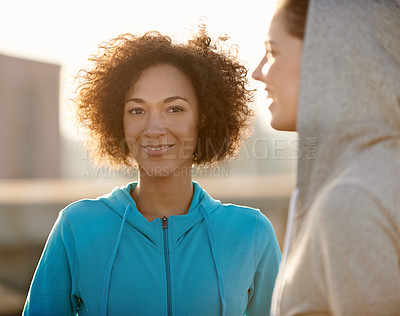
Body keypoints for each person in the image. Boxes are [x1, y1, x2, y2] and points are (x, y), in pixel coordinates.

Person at [23, 28, 281, 316]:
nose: (154, 128)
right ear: (116, 121)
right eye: (136, 111)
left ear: (203, 118)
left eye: (174, 109)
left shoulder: (252, 232)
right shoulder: (77, 227)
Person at [252, 0, 400, 315]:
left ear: (334, 59)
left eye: (273, 52)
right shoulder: (375, 172)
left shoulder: (352, 198)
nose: (257, 72)